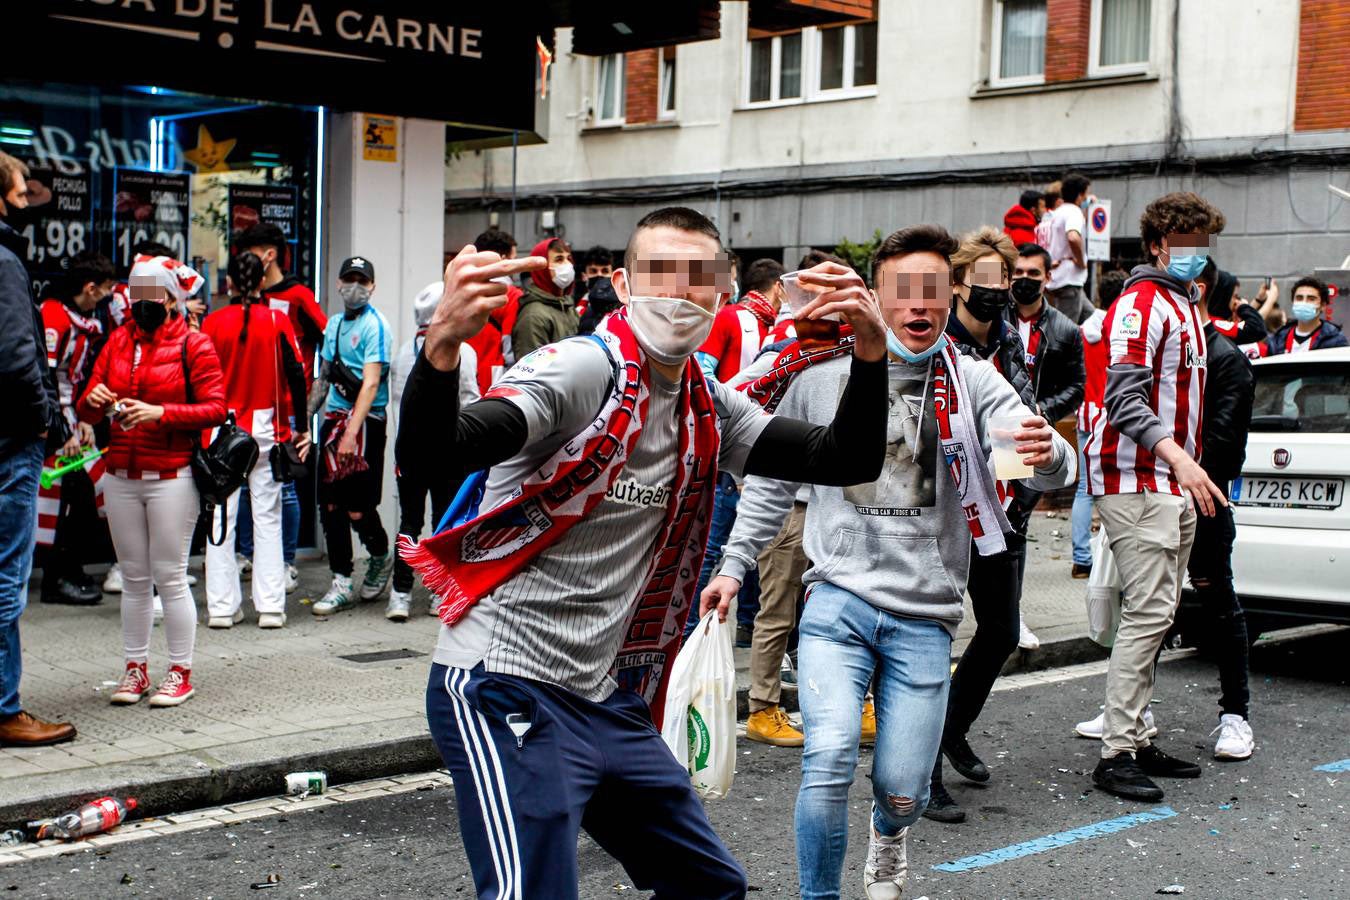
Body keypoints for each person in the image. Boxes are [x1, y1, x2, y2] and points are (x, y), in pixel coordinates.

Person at [397, 206, 891, 900]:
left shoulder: (708, 406)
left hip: (603, 699)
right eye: (660, 274)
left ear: (720, 295)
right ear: (625, 287)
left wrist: (872, 354)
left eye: (698, 279)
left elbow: (843, 457)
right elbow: (434, 453)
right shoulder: (581, 370)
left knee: (709, 886)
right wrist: (442, 348)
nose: (678, 294)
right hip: (502, 683)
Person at [707, 222, 1073, 897]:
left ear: (951, 294)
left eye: (931, 291)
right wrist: (733, 567)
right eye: (901, 292)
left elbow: (1040, 467)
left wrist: (1050, 454)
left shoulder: (973, 382)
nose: (917, 307)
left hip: (926, 614)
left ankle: (889, 838)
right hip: (837, 601)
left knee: (902, 790)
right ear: (877, 295)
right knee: (829, 756)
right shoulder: (820, 373)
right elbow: (769, 482)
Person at [1082, 191, 1229, 802]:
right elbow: (1125, 399)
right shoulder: (1141, 306)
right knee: (1146, 616)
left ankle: (1137, 736)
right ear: (1157, 245)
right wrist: (1181, 461)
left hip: (1169, 482)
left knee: (1159, 614)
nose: (1197, 255)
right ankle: (1116, 751)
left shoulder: (1184, 305)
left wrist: (1182, 469)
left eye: (1204, 244)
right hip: (1138, 481)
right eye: (1186, 243)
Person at [924, 226, 1042, 823]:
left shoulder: (1012, 343)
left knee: (1000, 630)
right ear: (959, 285)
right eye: (989, 281)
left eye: (1007, 279)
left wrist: (1022, 493)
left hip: (1000, 511)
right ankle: (918, 773)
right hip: (942, 514)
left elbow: (1022, 424)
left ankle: (950, 730)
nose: (1002, 291)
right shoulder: (934, 345)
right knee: (928, 640)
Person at [78, 256, 226, 707]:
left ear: (171, 298)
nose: (142, 302)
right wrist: (94, 400)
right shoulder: (117, 342)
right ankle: (135, 669)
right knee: (135, 580)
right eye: (136, 293)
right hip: (121, 473)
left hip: (172, 474)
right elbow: (86, 408)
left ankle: (180, 672)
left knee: (170, 576)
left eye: (152, 294)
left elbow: (217, 408)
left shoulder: (194, 344)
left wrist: (162, 413)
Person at [0, 150, 77, 747]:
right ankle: (4, 706)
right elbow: (19, 359)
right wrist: (45, 424)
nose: (29, 203)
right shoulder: (5, 261)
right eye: (23, 193)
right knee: (7, 573)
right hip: (10, 437)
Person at [201, 252, 310, 630]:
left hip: (221, 432)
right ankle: (271, 607)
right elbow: (297, 375)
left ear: (228, 282)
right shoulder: (277, 321)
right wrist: (302, 427)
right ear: (262, 281)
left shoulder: (212, 323)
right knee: (267, 518)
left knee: (221, 518)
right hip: (268, 429)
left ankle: (220, 607)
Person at [1184, 259, 1258, 758]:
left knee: (1218, 604)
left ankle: (1236, 716)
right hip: (1153, 499)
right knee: (1147, 608)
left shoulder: (1225, 357)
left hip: (1204, 502)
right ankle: (1131, 710)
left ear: (1198, 288)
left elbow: (1226, 446)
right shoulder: (1166, 350)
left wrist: (1192, 481)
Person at [234, 224, 324, 592]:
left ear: (269, 254)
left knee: (283, 486)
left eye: (251, 250)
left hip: (287, 407)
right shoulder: (244, 301)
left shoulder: (299, 296)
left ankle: (286, 562)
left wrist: (310, 407)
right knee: (240, 484)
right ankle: (245, 554)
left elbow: (327, 344)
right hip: (245, 406)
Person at [388, 281, 479, 620]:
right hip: (437, 454)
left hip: (421, 453)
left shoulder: (406, 351)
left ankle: (409, 593)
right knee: (435, 524)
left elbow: (399, 408)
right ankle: (424, 592)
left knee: (416, 524)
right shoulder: (460, 351)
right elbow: (472, 402)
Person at [311, 256, 394, 615]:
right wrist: (304, 423)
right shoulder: (333, 325)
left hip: (365, 422)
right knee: (330, 504)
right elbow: (325, 375)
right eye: (349, 279)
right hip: (334, 419)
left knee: (358, 508)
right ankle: (341, 579)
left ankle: (379, 556)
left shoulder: (377, 326)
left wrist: (352, 434)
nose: (355, 286)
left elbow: (372, 381)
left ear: (372, 286)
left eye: (362, 280)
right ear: (339, 282)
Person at [37, 251, 115, 605]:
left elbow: (77, 377)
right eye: (106, 288)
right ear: (90, 287)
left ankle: (69, 569)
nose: (110, 295)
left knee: (90, 489)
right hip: (51, 422)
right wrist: (61, 431)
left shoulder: (80, 317)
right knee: (69, 494)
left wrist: (85, 420)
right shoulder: (54, 317)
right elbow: (45, 379)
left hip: (70, 418)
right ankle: (57, 577)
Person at [1070, 269, 1126, 578]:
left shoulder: (1081, 330)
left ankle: (1081, 558)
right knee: (1114, 488)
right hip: (1114, 414)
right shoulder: (1121, 327)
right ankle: (1109, 557)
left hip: (1085, 413)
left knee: (1083, 489)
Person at [695, 258, 784, 383]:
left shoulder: (779, 325)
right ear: (778, 287)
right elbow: (701, 372)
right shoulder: (727, 315)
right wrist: (730, 400)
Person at [465, 228, 519, 386]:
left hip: (461, 371)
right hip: (491, 377)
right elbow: (509, 348)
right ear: (503, 259)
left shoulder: (463, 290)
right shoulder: (511, 295)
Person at [510, 237, 577, 360]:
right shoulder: (533, 315)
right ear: (542, 269)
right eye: (559, 259)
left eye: (569, 259)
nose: (567, 265)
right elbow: (531, 369)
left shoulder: (567, 306)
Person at [1044, 172, 1094, 324]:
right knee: (1064, 331)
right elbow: (1073, 236)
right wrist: (1081, 261)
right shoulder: (1074, 212)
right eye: (1086, 194)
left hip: (1059, 279)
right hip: (1069, 281)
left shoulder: (1056, 213)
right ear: (1079, 196)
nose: (1086, 198)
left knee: (1093, 319)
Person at [1261, 276, 1347, 356]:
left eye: (1311, 299)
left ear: (1323, 306)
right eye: (1299, 298)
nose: (1304, 302)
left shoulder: (1335, 340)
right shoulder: (1278, 338)